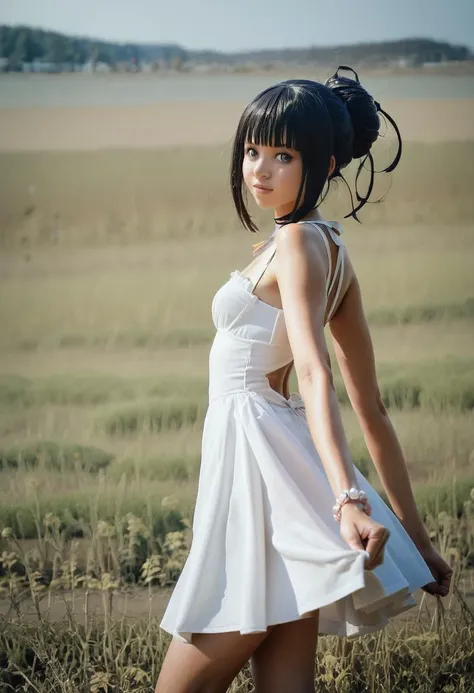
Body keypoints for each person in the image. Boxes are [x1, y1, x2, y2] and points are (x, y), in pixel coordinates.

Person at [155, 66, 453, 693]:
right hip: (282, 466)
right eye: (251, 149)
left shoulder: (295, 245)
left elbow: (317, 374)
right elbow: (372, 409)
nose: (258, 169)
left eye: (282, 155)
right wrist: (418, 541)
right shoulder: (332, 249)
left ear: (328, 163)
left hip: (264, 472)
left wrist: (349, 501)